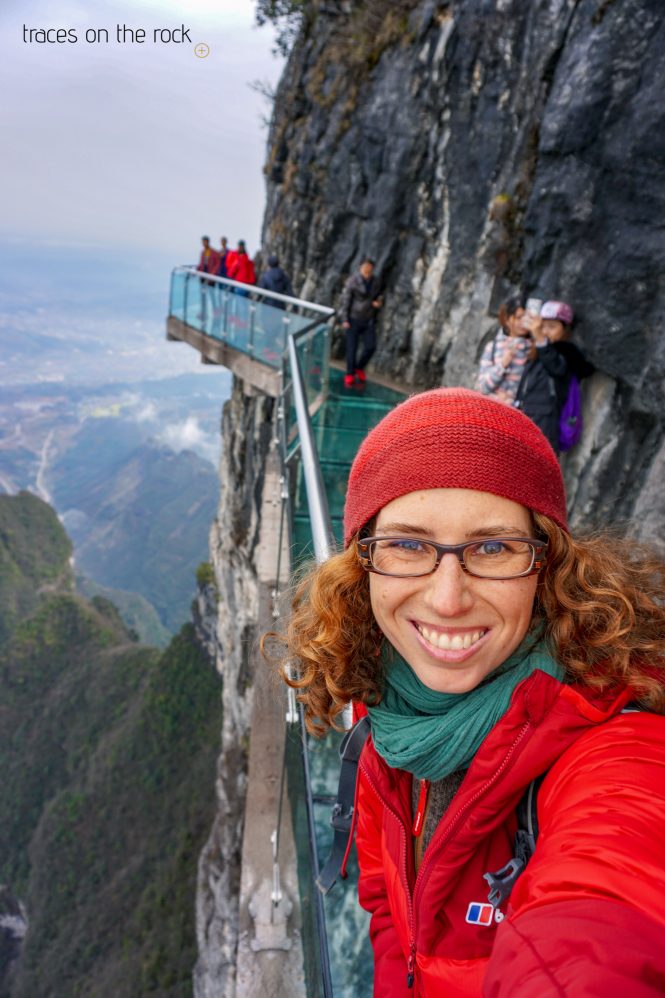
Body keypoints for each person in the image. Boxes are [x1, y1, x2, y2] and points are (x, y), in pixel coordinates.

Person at [276, 388, 665, 995]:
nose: (447, 598)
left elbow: (609, 904)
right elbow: (386, 908)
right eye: (407, 545)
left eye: (492, 547)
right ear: (363, 566)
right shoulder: (386, 703)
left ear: (546, 566)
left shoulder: (619, 745)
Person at [516, 299, 593, 454]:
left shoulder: (567, 352)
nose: (545, 331)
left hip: (547, 418)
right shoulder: (537, 350)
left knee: (540, 464)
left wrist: (540, 340)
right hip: (525, 413)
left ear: (566, 330)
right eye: (542, 326)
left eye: (552, 327)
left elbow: (557, 368)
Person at [476, 297, 532, 405]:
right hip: (491, 409)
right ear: (508, 319)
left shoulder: (532, 350)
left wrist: (511, 398)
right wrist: (503, 364)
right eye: (519, 317)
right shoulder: (493, 347)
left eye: (527, 318)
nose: (523, 322)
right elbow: (483, 387)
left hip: (518, 414)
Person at [340, 258, 382, 387]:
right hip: (353, 318)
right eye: (365, 266)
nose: (367, 269)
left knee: (371, 346)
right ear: (360, 267)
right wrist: (344, 319)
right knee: (351, 348)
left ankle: (359, 367)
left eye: (369, 267)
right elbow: (346, 300)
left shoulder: (375, 281)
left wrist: (378, 303)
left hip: (368, 319)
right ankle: (350, 373)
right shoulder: (353, 281)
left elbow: (378, 296)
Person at [196, 235, 220, 322]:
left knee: (212, 296)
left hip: (210, 278)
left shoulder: (214, 252)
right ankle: (204, 313)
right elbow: (201, 264)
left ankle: (216, 314)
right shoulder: (203, 252)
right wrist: (197, 271)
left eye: (204, 241)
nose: (203, 243)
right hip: (203, 276)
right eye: (202, 242)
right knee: (203, 296)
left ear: (208, 242)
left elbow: (217, 264)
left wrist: (213, 274)